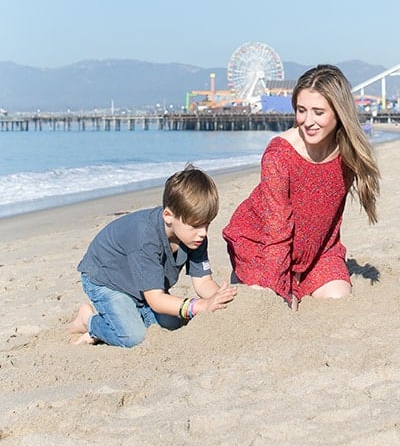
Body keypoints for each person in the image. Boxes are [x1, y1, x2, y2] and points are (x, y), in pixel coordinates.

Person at [222, 64, 380, 308]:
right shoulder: (279, 156)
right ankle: (247, 277)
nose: (308, 121)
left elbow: (329, 219)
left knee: (339, 297)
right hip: (264, 245)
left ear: (339, 113)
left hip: (318, 250)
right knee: (274, 302)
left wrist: (304, 267)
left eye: (318, 112)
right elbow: (277, 230)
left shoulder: (348, 154)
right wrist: (280, 286)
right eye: (301, 110)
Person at [69, 165, 236, 347]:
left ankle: (128, 314)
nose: (203, 233)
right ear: (168, 216)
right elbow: (156, 300)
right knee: (134, 338)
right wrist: (201, 306)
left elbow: (203, 282)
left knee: (172, 324)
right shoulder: (146, 238)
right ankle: (88, 320)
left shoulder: (195, 237)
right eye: (195, 225)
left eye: (207, 225)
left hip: (140, 286)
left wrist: (219, 298)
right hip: (106, 279)